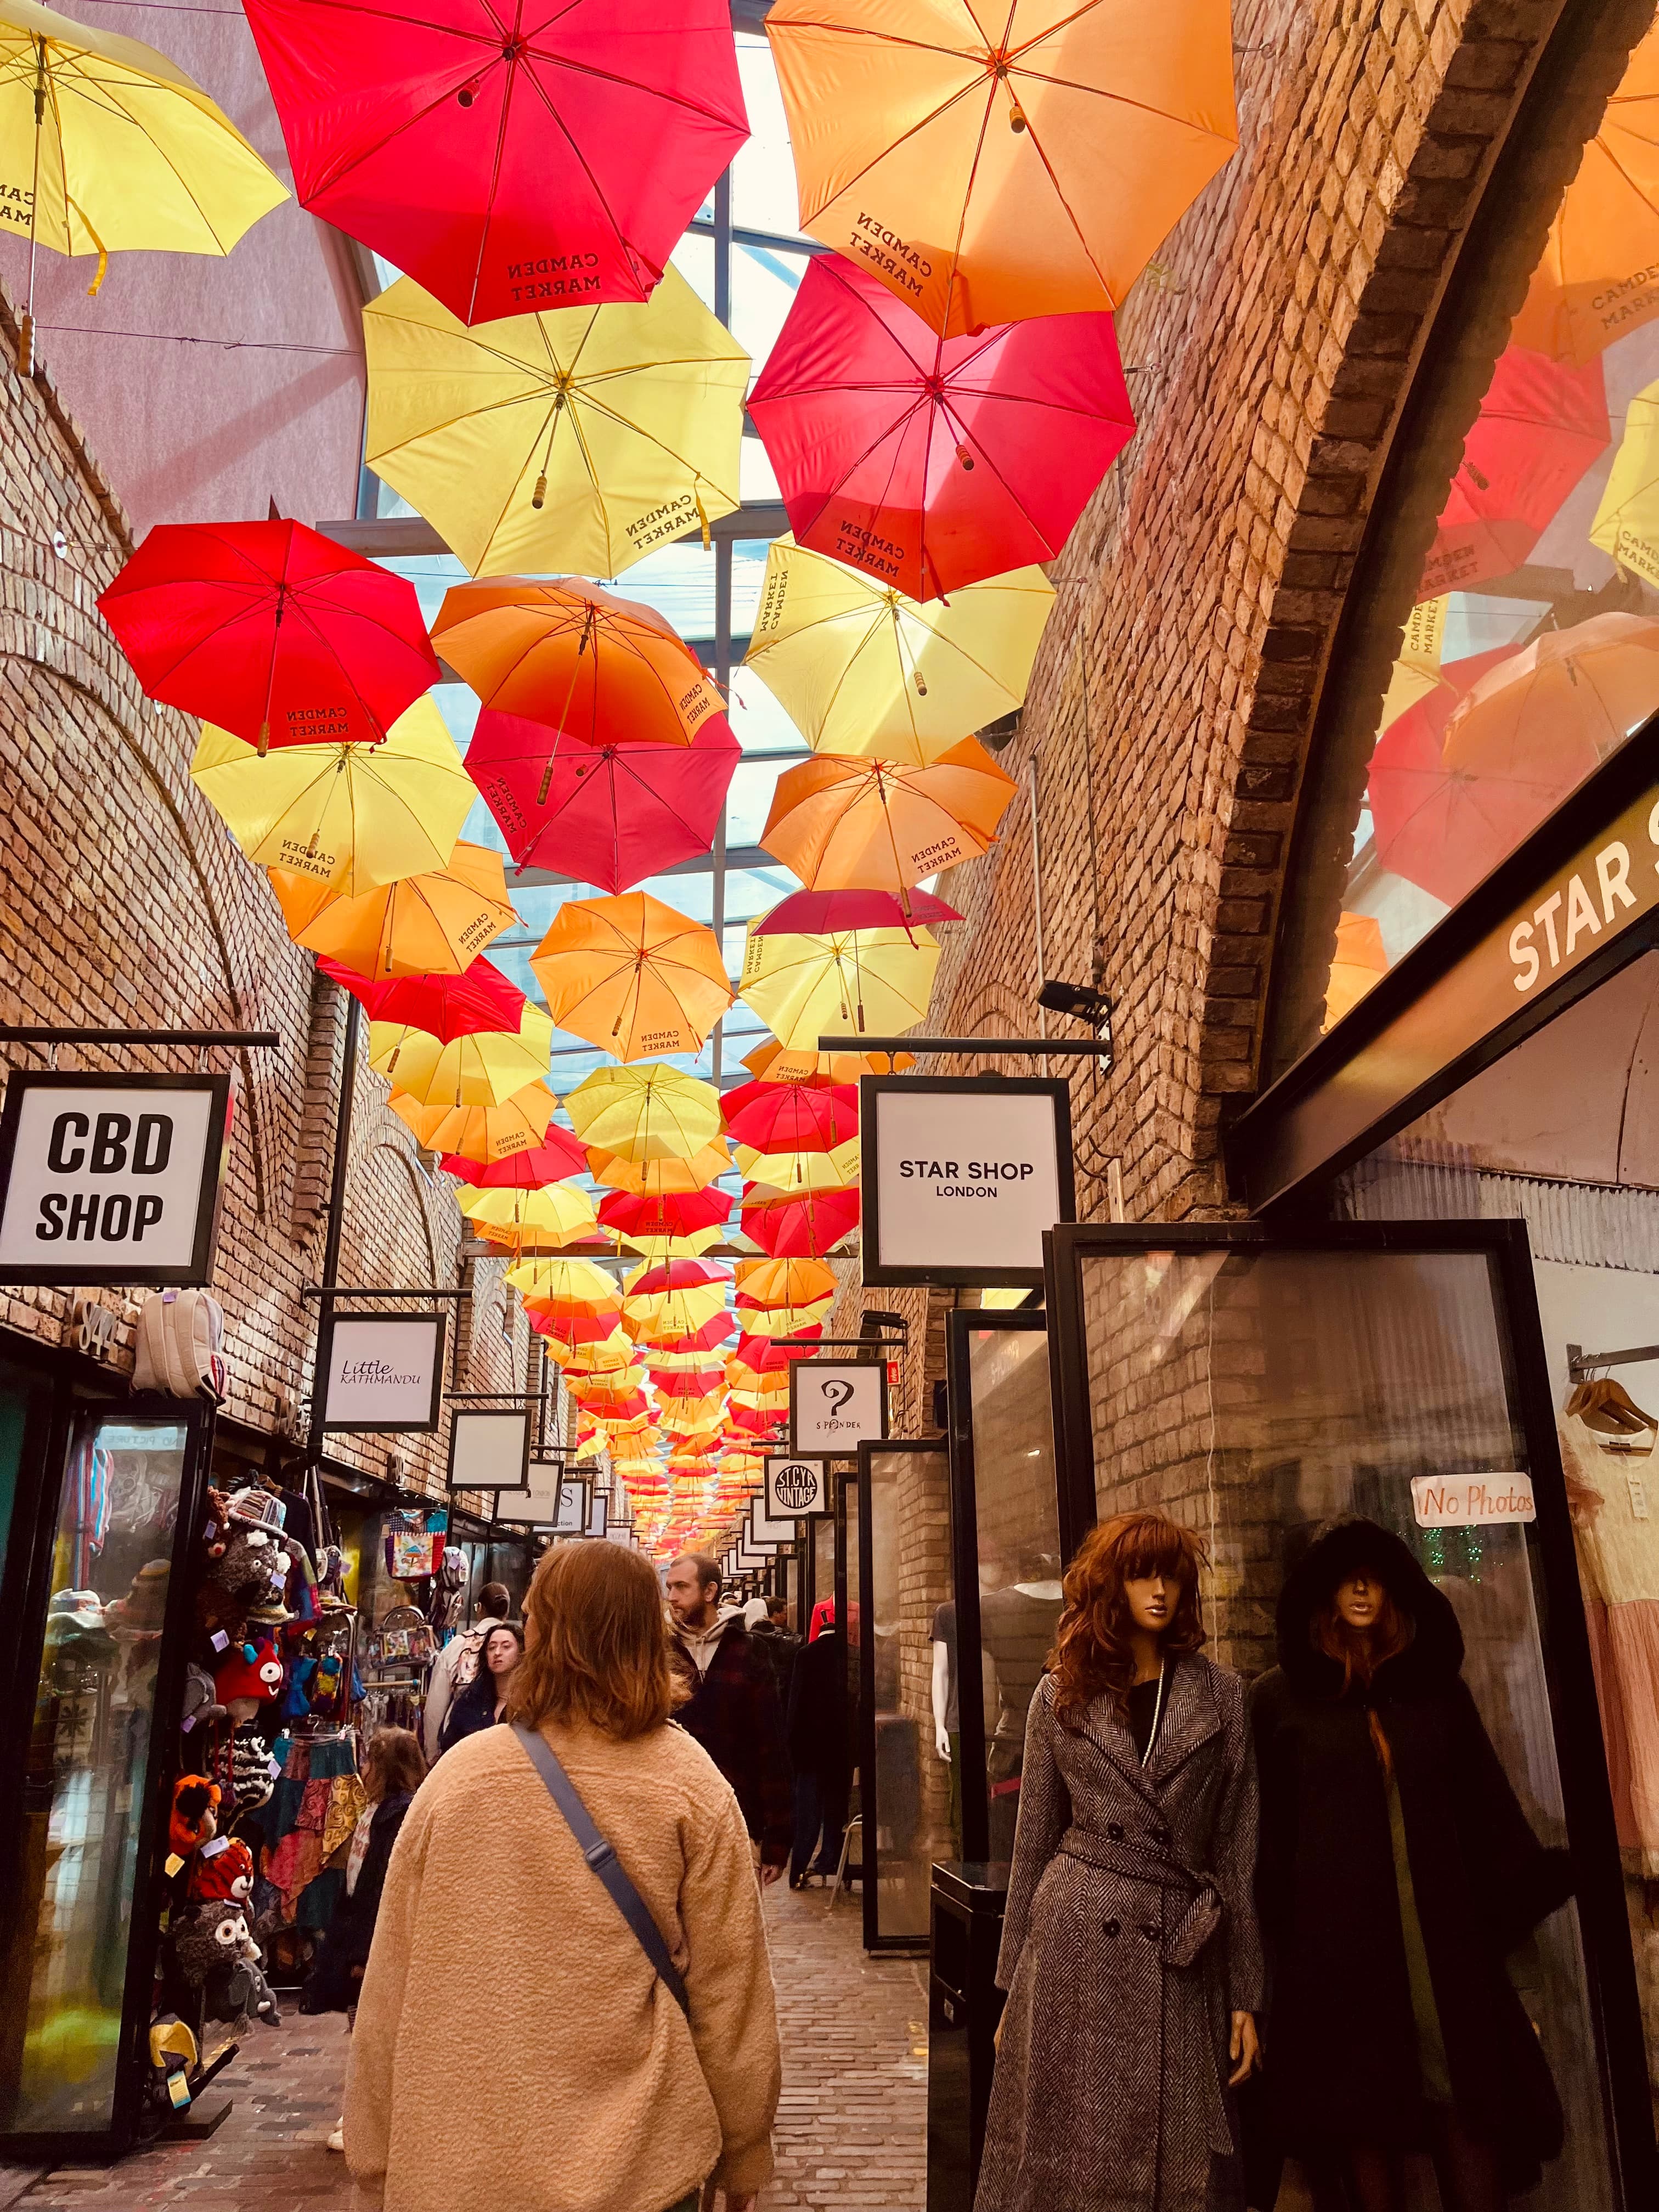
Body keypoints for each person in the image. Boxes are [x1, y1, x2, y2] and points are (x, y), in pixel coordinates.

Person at [345, 1539, 781, 2212]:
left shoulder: (459, 1779)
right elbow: (731, 1989)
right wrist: (744, 2148)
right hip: (639, 2163)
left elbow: (391, 1984)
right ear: (646, 1633)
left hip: (467, 2158)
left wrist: (373, 2158)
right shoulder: (690, 1782)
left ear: (540, 1630)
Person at [1250, 1518, 1574, 2211]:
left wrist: (1520, 1979)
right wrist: (1266, 1990)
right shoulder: (1279, 1702)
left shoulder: (1436, 1695)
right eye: (1347, 1575)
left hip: (1443, 1963)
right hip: (1340, 1972)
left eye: (1377, 1575)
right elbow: (1264, 1852)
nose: (1363, 1588)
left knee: (1466, 2120)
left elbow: (1491, 1827)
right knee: (1365, 2141)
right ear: (1321, 1592)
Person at [976, 1510, 1261, 2212]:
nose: (1160, 1590)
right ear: (1112, 1586)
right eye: (1142, 1574)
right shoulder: (1062, 1692)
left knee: (1181, 2157)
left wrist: (1247, 1994)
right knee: (1066, 2151)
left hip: (1179, 1946)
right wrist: (1013, 1985)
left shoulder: (1222, 1695)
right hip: (1074, 1941)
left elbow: (1236, 1851)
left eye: (1172, 1575)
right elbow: (1033, 1841)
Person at [308, 1726, 427, 2154]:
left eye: (369, 1761)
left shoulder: (399, 1816)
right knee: (363, 2031)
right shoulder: (374, 1812)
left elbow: (382, 1889)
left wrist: (362, 1951)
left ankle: (368, 2118)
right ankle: (363, 2113)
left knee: (372, 2035)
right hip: (359, 1936)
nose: (361, 1769)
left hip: (373, 1942)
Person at [665, 1553, 792, 1881]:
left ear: (709, 1592)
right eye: (669, 1587)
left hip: (737, 1818)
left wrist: (777, 1841)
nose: (672, 1597)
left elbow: (770, 1743)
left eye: (682, 1587)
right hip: (669, 1821)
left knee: (735, 1930)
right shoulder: (658, 1653)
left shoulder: (749, 1650)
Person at [786, 1599, 850, 1888]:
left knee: (808, 1815)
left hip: (810, 1749)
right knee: (837, 1810)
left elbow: (796, 1704)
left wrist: (792, 1748)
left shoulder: (806, 1655)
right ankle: (833, 1861)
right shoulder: (854, 1655)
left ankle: (798, 1870)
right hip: (842, 1750)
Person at [422, 1580, 512, 1757]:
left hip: (460, 1747)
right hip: (506, 1745)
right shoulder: (519, 1646)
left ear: (479, 1608)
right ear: (507, 1612)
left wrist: (431, 1753)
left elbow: (434, 1708)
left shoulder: (459, 1645)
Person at [437, 1621, 523, 1752]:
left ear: (521, 1652)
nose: (497, 1653)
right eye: (492, 1648)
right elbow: (450, 1747)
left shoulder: (532, 1702)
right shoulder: (470, 1700)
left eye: (506, 1647)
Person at [749, 1596, 800, 1709]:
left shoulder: (751, 1637)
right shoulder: (788, 1637)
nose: (786, 1617)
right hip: (783, 1690)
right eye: (784, 1613)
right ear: (776, 1613)